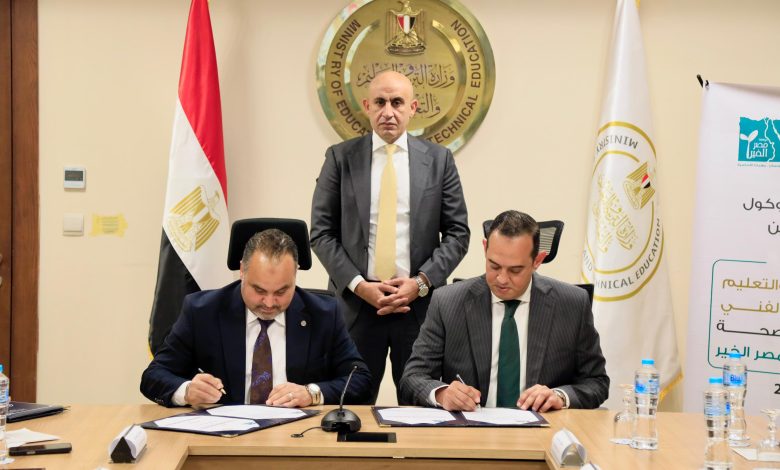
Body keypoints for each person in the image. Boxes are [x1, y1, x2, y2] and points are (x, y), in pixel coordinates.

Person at [310, 70, 470, 403]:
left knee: (422, 408)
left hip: (418, 309)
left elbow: (458, 234)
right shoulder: (339, 158)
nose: (388, 112)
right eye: (380, 102)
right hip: (356, 307)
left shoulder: (439, 161)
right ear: (367, 106)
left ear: (413, 108)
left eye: (397, 102)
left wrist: (420, 284)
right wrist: (360, 286)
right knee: (348, 409)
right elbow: (322, 233)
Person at [399, 210, 609, 411]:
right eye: (494, 266)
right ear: (485, 248)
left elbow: (596, 382)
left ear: (537, 260)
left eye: (515, 270)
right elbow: (412, 378)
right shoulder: (447, 302)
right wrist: (442, 394)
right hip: (472, 428)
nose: (502, 279)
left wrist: (560, 396)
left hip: (544, 428)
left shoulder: (572, 304)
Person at [141, 228, 372, 408]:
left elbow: (360, 379)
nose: (269, 303)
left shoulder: (323, 313)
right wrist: (187, 391)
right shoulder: (203, 311)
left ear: (295, 276)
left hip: (298, 436)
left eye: (281, 291)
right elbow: (153, 376)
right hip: (226, 438)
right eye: (259, 290)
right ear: (242, 271)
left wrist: (311, 393)